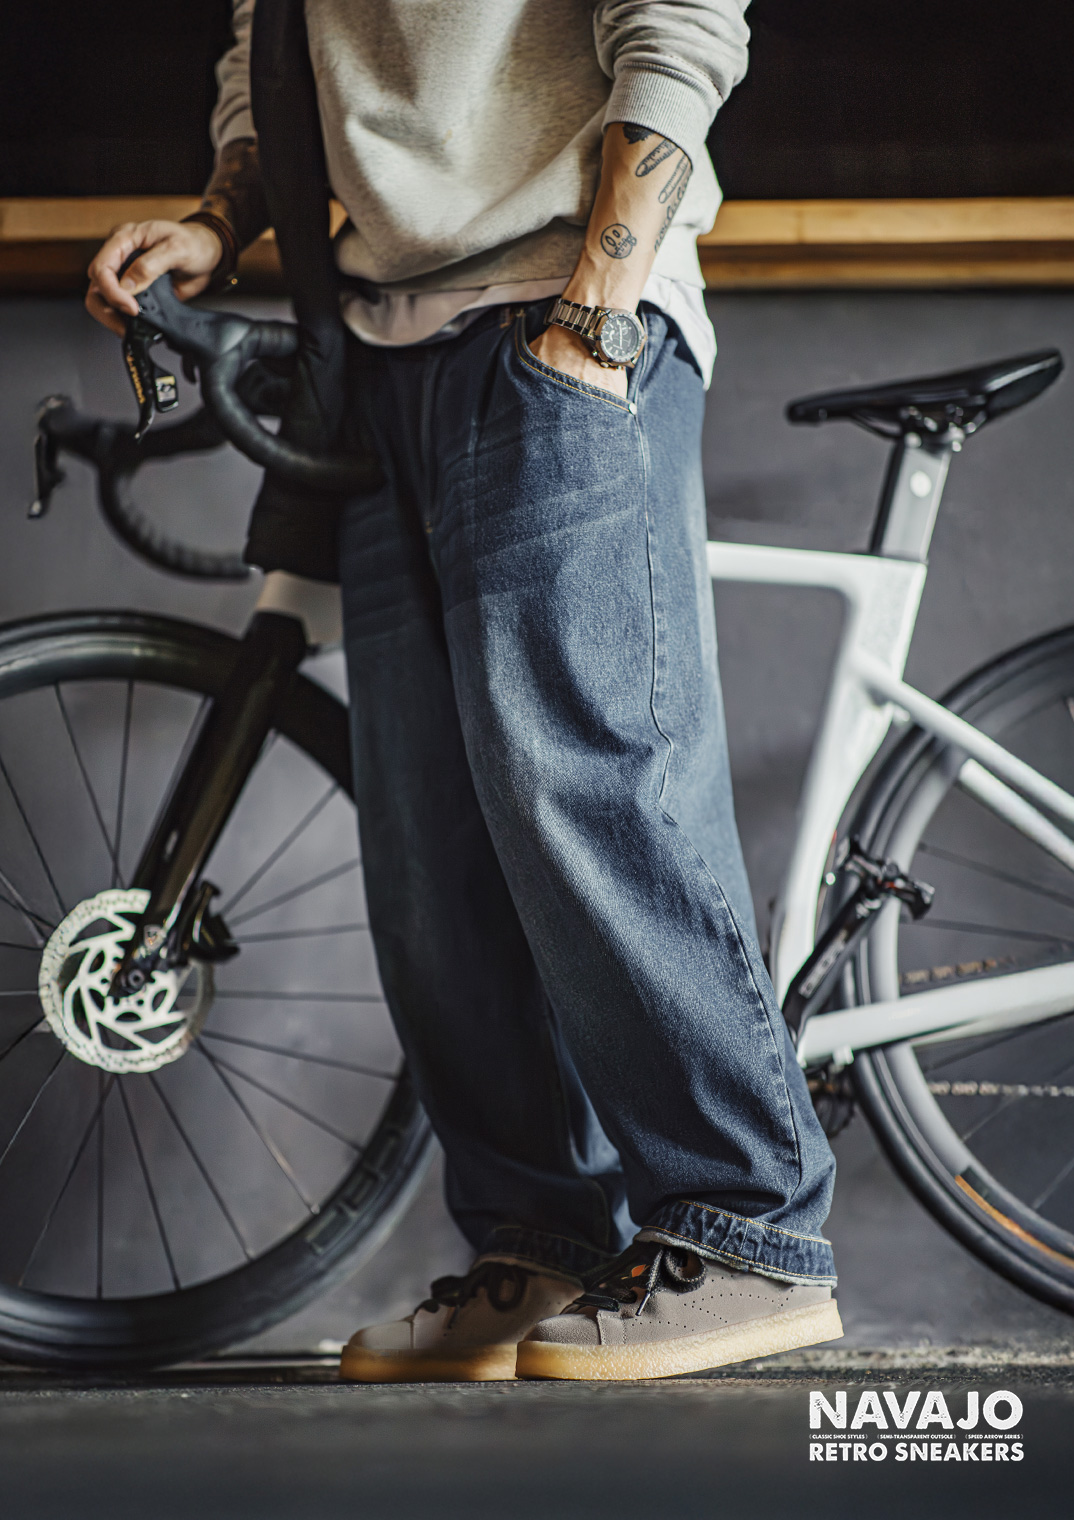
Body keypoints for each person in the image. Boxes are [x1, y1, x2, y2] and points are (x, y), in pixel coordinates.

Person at [86, 0, 841, 1383]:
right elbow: (274, 57)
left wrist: (598, 306)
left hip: (559, 305)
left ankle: (750, 1233)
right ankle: (540, 1241)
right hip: (379, 355)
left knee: (591, 790)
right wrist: (218, 220)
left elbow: (680, 26)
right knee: (430, 843)